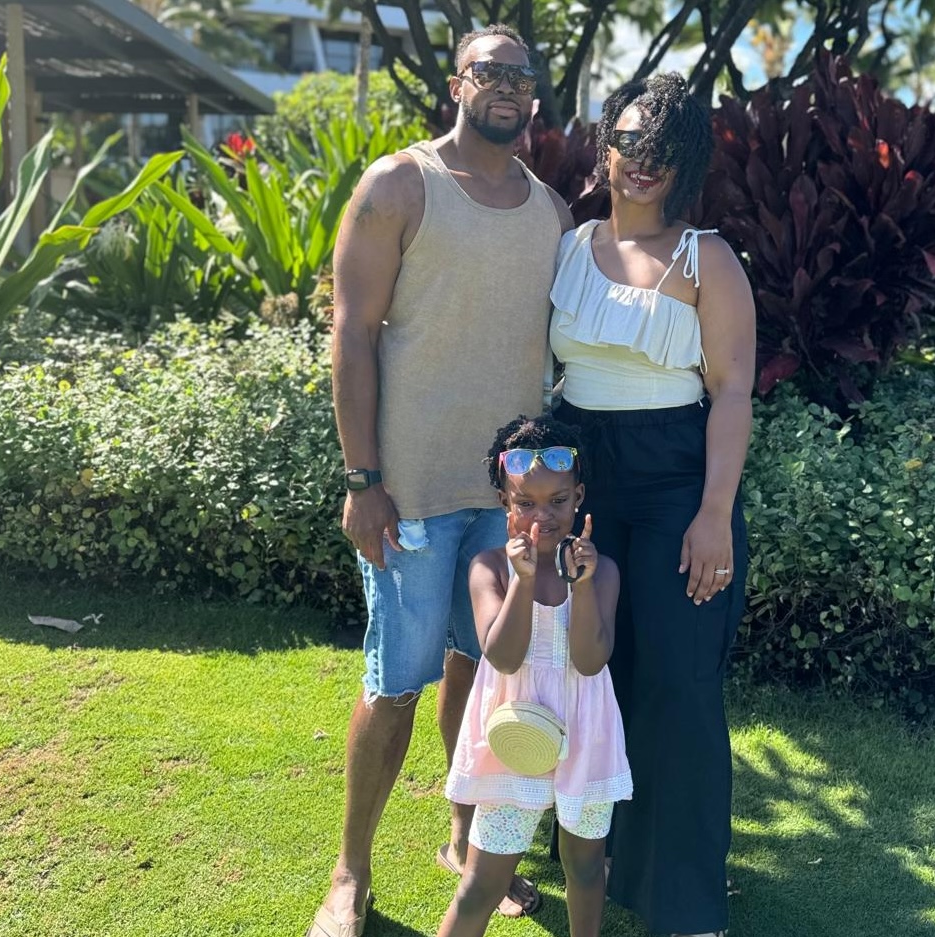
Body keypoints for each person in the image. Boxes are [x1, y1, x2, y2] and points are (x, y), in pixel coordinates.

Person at [309, 24, 574, 937]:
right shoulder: (400, 184)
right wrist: (361, 477)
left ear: (534, 95)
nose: (506, 87)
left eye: (520, 76)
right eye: (489, 72)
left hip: (509, 503)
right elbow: (350, 332)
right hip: (411, 494)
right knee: (394, 682)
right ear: (459, 83)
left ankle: (466, 844)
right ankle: (350, 872)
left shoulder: (550, 212)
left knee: (486, 674)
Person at [549, 72, 756, 936]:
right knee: (596, 680)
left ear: (685, 165)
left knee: (677, 686)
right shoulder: (567, 241)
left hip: (676, 489)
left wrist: (713, 514)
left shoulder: (707, 257)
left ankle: (690, 903)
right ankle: (613, 870)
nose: (643, 161)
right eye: (631, 140)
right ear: (606, 146)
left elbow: (734, 389)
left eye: (663, 150)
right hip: (587, 488)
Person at [439, 415, 630, 937]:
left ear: (579, 497)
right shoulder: (489, 568)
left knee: (587, 868)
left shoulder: (603, 570)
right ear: (505, 501)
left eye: (558, 501)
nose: (542, 517)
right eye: (526, 503)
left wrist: (584, 587)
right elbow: (502, 656)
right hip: (510, 738)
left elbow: (591, 661)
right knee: (481, 883)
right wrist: (523, 581)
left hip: (585, 736)